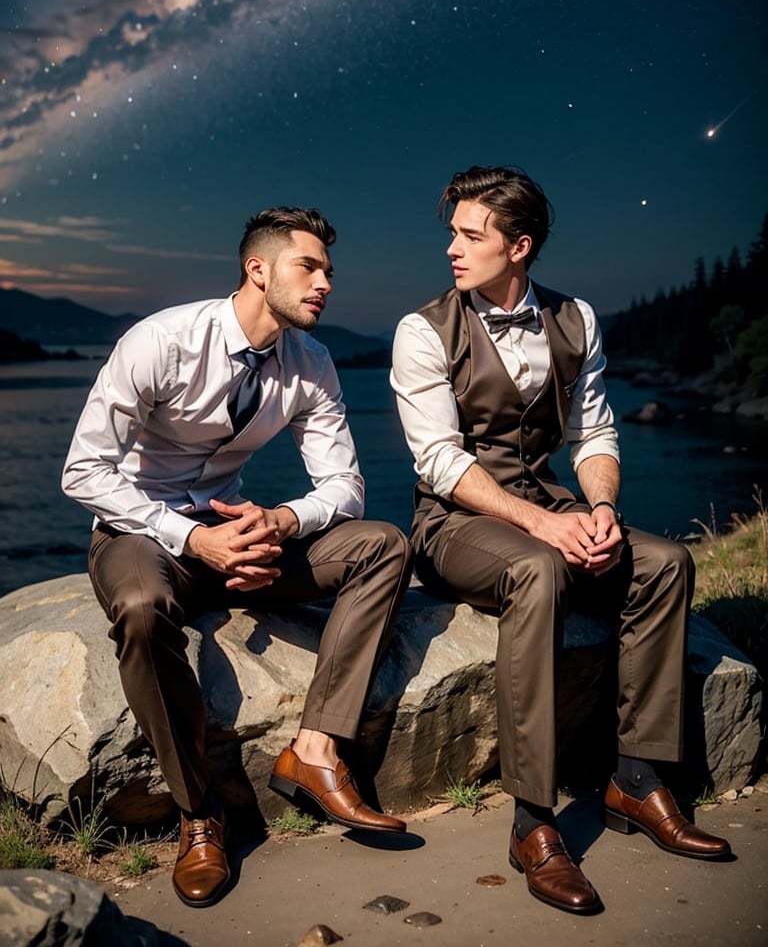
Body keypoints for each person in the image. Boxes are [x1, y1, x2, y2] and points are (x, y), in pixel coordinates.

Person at [390, 165, 730, 916]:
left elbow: (595, 431)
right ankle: (533, 821)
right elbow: (441, 462)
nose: (452, 247)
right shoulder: (423, 330)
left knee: (666, 563)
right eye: (452, 232)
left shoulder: (575, 318)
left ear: (520, 246)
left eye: (469, 235)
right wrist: (545, 524)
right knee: (541, 571)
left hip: (549, 504)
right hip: (454, 525)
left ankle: (637, 779)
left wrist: (600, 509)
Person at [62, 206, 411, 909]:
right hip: (146, 536)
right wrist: (194, 540)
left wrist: (279, 523)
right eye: (308, 268)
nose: (325, 285)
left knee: (383, 545)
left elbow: (344, 485)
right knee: (138, 609)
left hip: (242, 537)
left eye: (329, 272)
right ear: (258, 270)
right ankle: (200, 815)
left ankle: (315, 751)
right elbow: (85, 472)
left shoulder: (310, 361)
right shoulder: (161, 340)